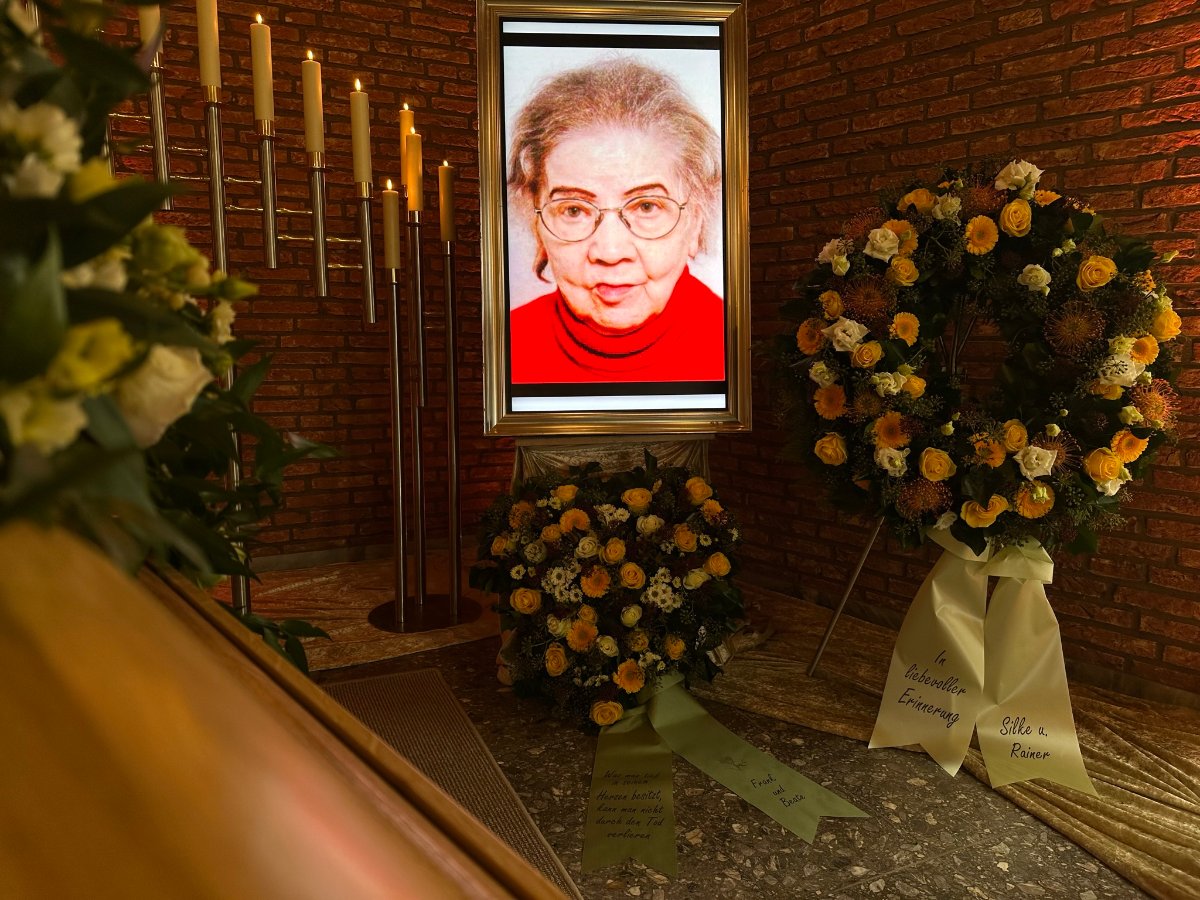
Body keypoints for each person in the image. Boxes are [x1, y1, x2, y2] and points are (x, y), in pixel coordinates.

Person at [507, 57, 726, 384]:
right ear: (537, 223)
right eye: (573, 210)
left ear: (695, 222)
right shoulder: (504, 348)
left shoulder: (740, 348)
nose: (610, 252)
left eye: (647, 206)